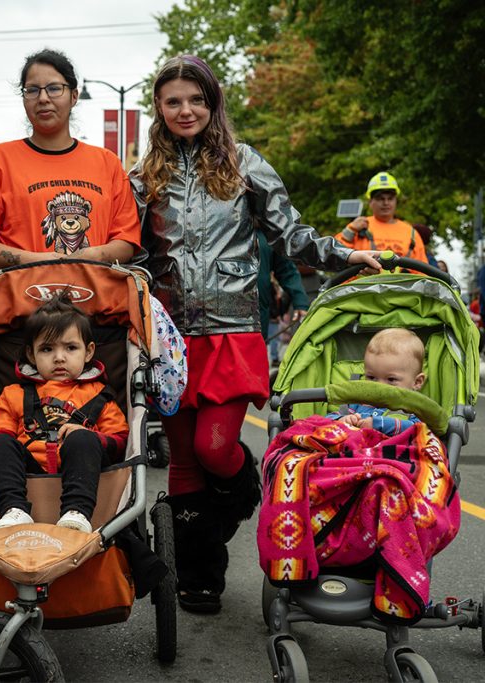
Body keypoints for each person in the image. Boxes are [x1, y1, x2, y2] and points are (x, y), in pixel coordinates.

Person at [128, 55, 381, 614]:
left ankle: (244, 493)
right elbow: (124, 247)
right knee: (184, 462)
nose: (186, 110)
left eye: (196, 98)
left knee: (215, 449)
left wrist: (347, 255)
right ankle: (199, 574)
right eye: (173, 101)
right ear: (159, 110)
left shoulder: (245, 165)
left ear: (213, 102)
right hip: (169, 335)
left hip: (232, 331)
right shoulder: (143, 176)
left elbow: (293, 234)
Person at [0, 48, 140, 269]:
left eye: (54, 89)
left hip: (95, 298)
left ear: (74, 96)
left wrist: (92, 256)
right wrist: (38, 262)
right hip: (18, 297)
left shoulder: (107, 164)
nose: (43, 98)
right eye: (32, 90)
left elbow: (127, 241)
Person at [0, 295, 129, 533]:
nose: (59, 357)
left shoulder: (99, 395)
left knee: (82, 438)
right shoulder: (14, 394)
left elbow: (120, 441)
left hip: (84, 477)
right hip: (28, 474)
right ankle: (13, 510)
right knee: (0, 442)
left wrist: (90, 437)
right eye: (47, 349)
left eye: (70, 348)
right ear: (31, 354)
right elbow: (1, 430)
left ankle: (76, 512)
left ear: (89, 352)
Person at [326, 328, 425, 435]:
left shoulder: (413, 408)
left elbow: (419, 430)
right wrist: (342, 419)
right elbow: (328, 419)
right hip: (354, 447)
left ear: (417, 382)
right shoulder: (358, 401)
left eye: (391, 379)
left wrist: (379, 424)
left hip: (391, 450)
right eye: (371, 378)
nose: (379, 386)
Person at [334, 172, 428, 264]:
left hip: (402, 280)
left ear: (396, 201)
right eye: (380, 198)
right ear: (370, 202)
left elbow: (422, 271)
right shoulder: (358, 227)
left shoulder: (411, 233)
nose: (386, 203)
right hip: (363, 280)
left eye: (390, 198)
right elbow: (335, 255)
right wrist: (350, 231)